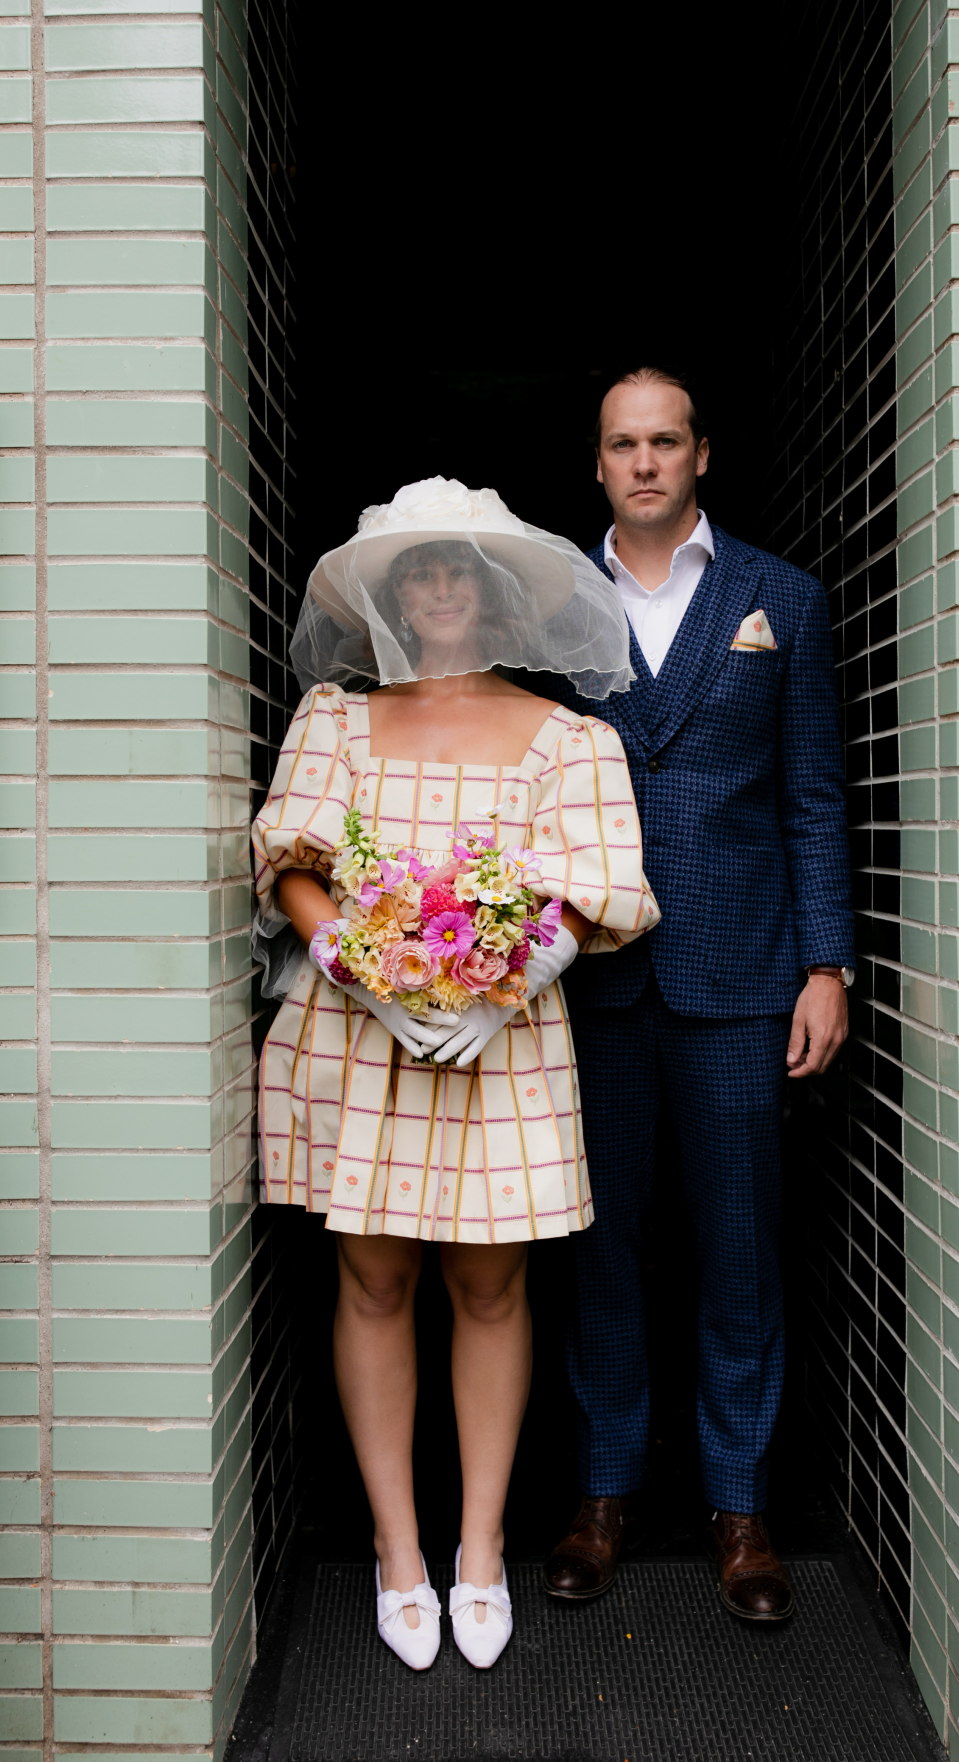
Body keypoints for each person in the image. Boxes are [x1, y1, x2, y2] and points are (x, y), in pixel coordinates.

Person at [250, 477, 659, 1671]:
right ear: (392, 597)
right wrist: (361, 969)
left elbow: (595, 886)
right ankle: (399, 1551)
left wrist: (509, 984)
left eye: (458, 571)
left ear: (492, 595)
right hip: (361, 1031)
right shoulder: (335, 718)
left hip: (499, 1036)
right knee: (374, 1279)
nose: (438, 588)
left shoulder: (569, 736)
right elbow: (293, 862)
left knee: (490, 1286)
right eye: (418, 572)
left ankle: (480, 1549)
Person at [543, 368, 854, 1624]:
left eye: (665, 441)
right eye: (623, 443)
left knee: (738, 1245)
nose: (645, 462)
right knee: (601, 1247)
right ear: (598, 462)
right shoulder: (554, 606)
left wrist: (827, 963)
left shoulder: (784, 598)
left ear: (702, 454)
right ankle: (603, 1493)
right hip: (593, 979)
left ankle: (740, 1505)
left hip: (742, 974)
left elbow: (812, 794)